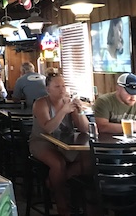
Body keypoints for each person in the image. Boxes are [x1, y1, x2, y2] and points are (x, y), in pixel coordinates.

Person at [30, 73, 90, 216]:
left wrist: (80, 110)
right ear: (48, 89)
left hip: (64, 143)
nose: (62, 89)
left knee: (89, 160)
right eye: (57, 86)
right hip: (41, 141)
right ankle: (62, 206)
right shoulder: (41, 103)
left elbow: (84, 128)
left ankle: (55, 182)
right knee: (58, 164)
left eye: (64, 86)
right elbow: (48, 128)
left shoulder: (69, 103)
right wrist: (63, 111)